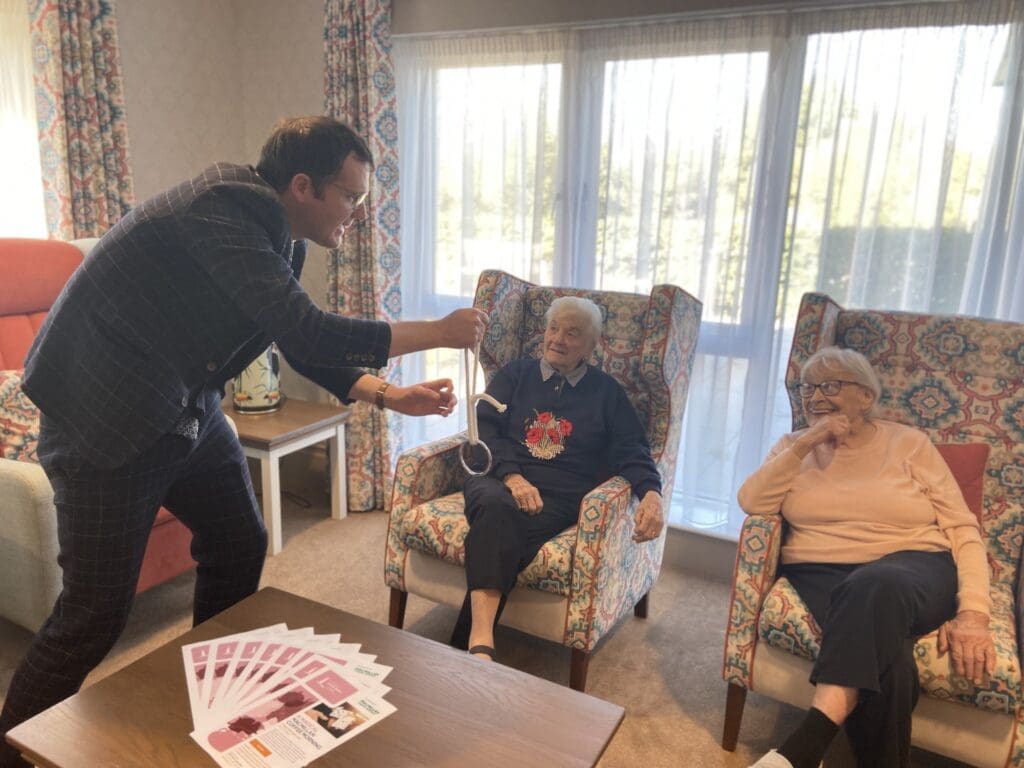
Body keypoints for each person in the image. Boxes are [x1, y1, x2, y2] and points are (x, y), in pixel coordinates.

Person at [0, 115, 486, 767]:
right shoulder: (219, 211)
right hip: (104, 424)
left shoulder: (280, 237)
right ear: (305, 186)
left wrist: (386, 393)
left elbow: (288, 334)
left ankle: (206, 693)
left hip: (179, 407)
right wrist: (437, 330)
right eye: (351, 197)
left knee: (238, 539)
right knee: (92, 617)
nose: (355, 214)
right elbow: (311, 330)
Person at [740, 347, 994, 768]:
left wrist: (974, 612)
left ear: (867, 396)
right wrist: (807, 442)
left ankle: (803, 750)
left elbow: (963, 528)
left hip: (915, 566)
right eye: (808, 388)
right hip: (821, 569)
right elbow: (752, 501)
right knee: (891, 666)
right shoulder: (792, 448)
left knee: (875, 584)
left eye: (831, 385)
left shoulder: (909, 444)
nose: (816, 397)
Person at [449, 296, 665, 660]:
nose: (558, 339)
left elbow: (633, 449)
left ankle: (467, 650)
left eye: (572, 333)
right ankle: (479, 642)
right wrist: (513, 476)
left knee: (502, 528)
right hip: (497, 477)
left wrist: (652, 494)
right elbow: (482, 425)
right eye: (553, 328)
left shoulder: (607, 393)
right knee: (497, 508)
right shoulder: (516, 375)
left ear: (592, 345)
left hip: (558, 497)